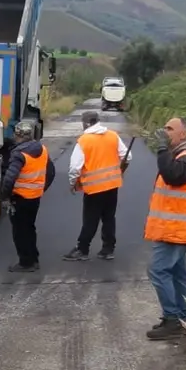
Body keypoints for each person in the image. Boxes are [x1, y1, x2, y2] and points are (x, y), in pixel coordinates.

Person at [144, 117, 186, 341]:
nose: (164, 131)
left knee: (158, 271)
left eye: (170, 128)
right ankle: (182, 318)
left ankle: (172, 320)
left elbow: (173, 175)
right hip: (175, 229)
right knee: (178, 274)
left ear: (183, 134)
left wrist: (161, 149)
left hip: (175, 230)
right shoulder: (183, 155)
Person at [64, 110, 132, 262]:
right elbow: (127, 156)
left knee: (90, 219)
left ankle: (82, 249)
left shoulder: (84, 140)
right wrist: (120, 170)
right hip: (112, 185)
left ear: (86, 123)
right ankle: (108, 249)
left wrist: (73, 183)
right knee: (108, 218)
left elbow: (75, 168)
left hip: (94, 188)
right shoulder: (112, 135)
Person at [0, 121, 56, 272]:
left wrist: (4, 196)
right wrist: (42, 188)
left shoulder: (19, 154)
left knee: (20, 231)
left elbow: (9, 178)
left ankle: (26, 263)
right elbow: (50, 172)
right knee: (30, 228)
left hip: (20, 198)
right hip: (35, 197)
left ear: (17, 135)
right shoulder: (42, 149)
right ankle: (33, 258)